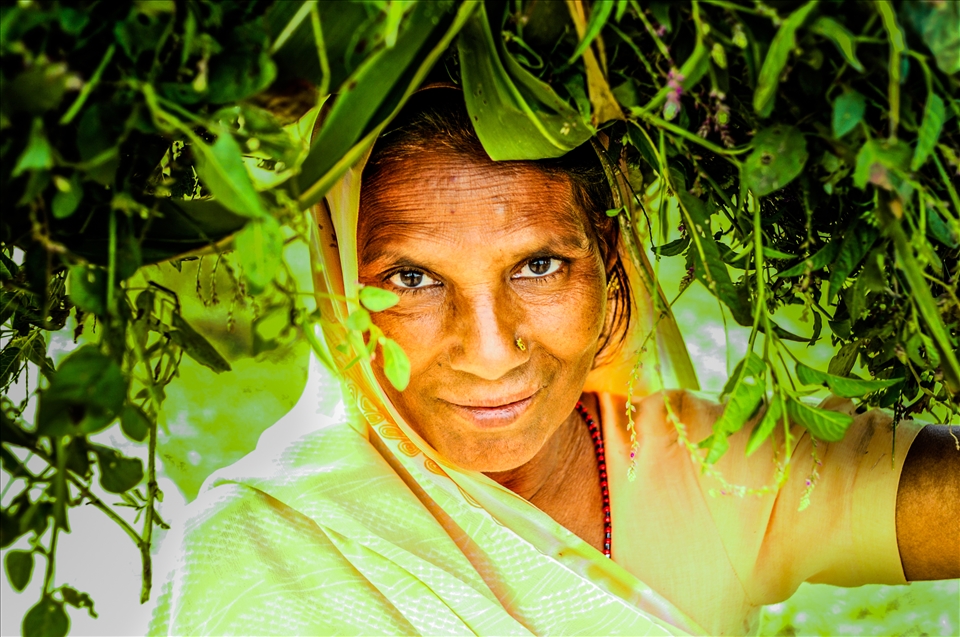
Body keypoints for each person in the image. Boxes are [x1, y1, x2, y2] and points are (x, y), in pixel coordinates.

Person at [148, 88, 959, 636]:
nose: (493, 348)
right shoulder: (257, 551)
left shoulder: (706, 472)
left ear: (607, 257)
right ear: (336, 286)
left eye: (538, 265)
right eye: (412, 278)